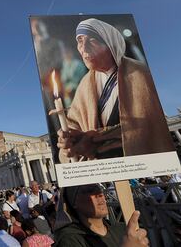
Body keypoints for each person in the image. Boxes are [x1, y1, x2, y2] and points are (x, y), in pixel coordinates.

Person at [57, 18, 174, 163]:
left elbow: (153, 126)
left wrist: (98, 138)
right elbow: (72, 128)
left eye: (92, 41)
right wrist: (68, 143)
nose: (84, 49)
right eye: (80, 41)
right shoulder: (84, 85)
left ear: (110, 44)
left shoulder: (142, 74)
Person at [54, 184, 149, 246]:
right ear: (73, 202)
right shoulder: (70, 239)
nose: (99, 194)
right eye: (89, 190)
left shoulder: (123, 229)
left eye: (99, 189)